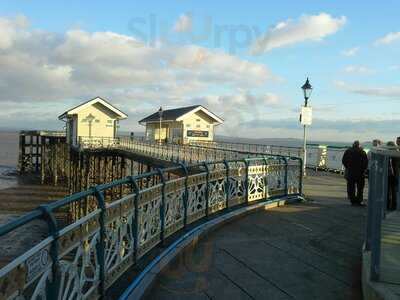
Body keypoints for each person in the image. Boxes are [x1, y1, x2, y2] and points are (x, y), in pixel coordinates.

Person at [342, 140, 368, 206]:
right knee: (360, 188)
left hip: (351, 172)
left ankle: (352, 201)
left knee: (351, 187)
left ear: (353, 144)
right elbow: (365, 163)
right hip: (360, 173)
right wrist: (363, 170)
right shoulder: (362, 152)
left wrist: (348, 167)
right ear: (359, 145)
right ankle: (359, 201)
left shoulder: (348, 151)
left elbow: (344, 161)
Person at [387, 141, 399, 210]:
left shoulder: (387, 154)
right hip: (396, 174)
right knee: (394, 190)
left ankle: (388, 205)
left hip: (389, 174)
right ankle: (394, 206)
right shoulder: (397, 153)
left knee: (388, 190)